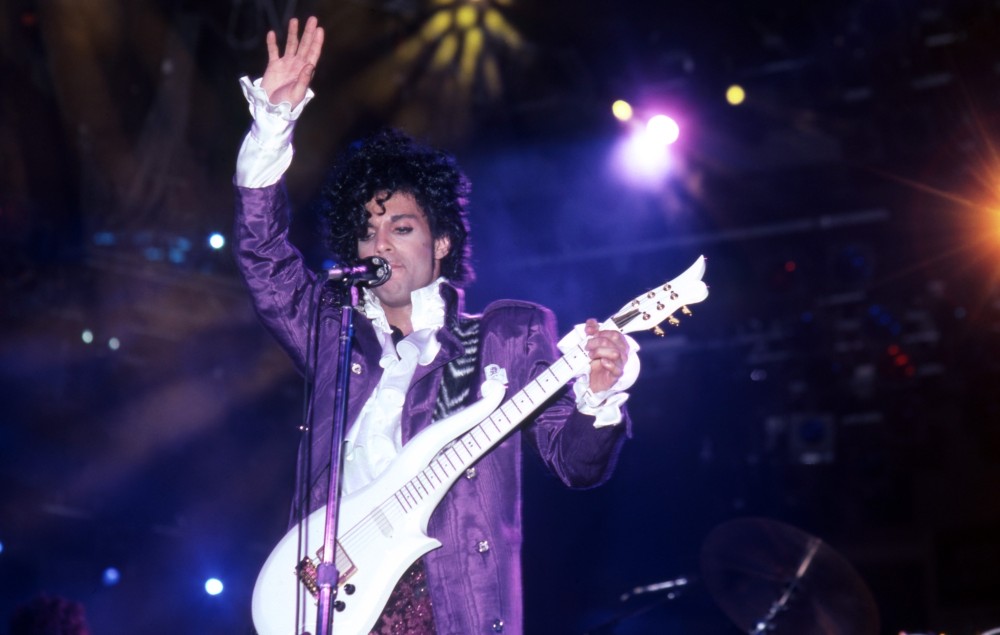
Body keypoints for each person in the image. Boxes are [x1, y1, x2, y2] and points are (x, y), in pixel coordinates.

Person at [234, 16, 640, 635]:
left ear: (442, 241)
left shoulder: (506, 336)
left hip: (444, 599)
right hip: (328, 592)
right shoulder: (331, 329)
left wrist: (600, 395)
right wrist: (273, 125)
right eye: (367, 231)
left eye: (401, 227)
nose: (380, 244)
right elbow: (262, 254)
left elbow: (575, 462)